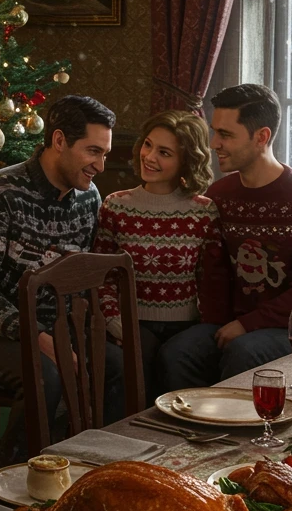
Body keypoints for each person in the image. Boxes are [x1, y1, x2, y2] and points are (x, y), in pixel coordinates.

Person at [0, 94, 125, 462]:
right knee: (44, 376)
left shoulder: (89, 197)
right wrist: (37, 336)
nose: (100, 164)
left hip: (61, 328)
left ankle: (97, 469)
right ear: (60, 140)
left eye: (106, 153)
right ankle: (10, 482)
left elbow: (84, 278)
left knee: (118, 366)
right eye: (92, 151)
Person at [157, 84, 292, 391]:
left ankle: (233, 435)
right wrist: (214, 326)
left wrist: (246, 325)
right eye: (214, 132)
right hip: (233, 324)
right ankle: (192, 434)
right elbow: (214, 275)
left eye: (226, 135)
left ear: (262, 137)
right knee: (175, 353)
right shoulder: (218, 196)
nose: (214, 143)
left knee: (243, 351)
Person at [93, 109, 229, 400]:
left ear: (185, 161)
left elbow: (213, 280)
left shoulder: (203, 211)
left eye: (164, 152)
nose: (150, 157)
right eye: (148, 145)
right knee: (137, 373)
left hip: (187, 327)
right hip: (130, 323)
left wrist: (208, 327)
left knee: (177, 371)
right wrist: (115, 322)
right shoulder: (115, 206)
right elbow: (101, 276)